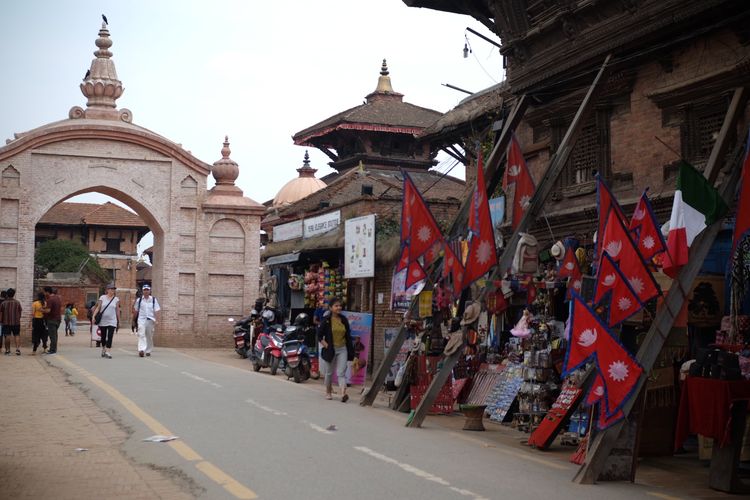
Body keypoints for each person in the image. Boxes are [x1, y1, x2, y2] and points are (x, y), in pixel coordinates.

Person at [317, 297, 354, 402]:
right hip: (331, 349)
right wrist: (327, 345)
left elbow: (347, 335)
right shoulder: (327, 320)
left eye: (340, 306)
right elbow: (319, 336)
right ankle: (328, 392)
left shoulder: (344, 320)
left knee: (341, 372)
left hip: (342, 349)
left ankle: (343, 393)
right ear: (330, 307)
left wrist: (350, 347)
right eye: (336, 306)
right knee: (329, 372)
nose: (339, 308)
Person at [92, 283, 119, 359]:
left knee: (110, 336)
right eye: (111, 289)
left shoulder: (116, 299)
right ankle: (103, 348)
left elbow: (117, 310)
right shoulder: (102, 297)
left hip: (112, 320)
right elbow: (98, 308)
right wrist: (93, 316)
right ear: (107, 290)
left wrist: (118, 320)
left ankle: (108, 351)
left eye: (113, 289)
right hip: (103, 320)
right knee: (103, 337)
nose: (112, 290)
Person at [133, 284, 160, 357]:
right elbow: (136, 310)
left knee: (149, 336)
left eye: (147, 290)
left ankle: (148, 350)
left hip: (150, 320)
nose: (146, 291)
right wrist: (133, 320)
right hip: (141, 319)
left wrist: (157, 320)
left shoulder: (153, 300)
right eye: (145, 290)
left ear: (150, 291)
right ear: (142, 291)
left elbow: (156, 310)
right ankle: (141, 350)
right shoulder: (139, 300)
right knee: (141, 334)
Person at [0, 288, 23, 355]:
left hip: (6, 322)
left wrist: (1, 321)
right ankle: (17, 350)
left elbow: (1, 313)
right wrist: (18, 318)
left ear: (7, 294)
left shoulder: (3, 303)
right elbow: (20, 312)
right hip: (16, 322)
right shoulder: (17, 302)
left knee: (7, 336)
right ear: (13, 294)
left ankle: (7, 350)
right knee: (17, 335)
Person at [43, 287, 61, 355]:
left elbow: (48, 310)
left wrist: (41, 310)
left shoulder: (50, 299)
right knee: (55, 335)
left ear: (47, 292)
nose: (44, 294)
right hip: (58, 319)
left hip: (52, 320)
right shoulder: (57, 298)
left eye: (44, 292)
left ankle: (52, 349)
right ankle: (54, 348)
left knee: (52, 335)